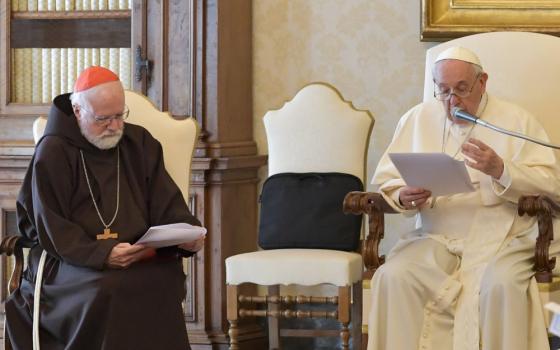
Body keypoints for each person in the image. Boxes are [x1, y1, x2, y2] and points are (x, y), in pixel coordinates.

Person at [368, 47, 560, 350]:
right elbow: (386, 181)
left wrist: (502, 170)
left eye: (461, 89)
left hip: (504, 233)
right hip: (435, 234)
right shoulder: (417, 118)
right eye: (443, 91)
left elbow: (552, 185)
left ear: (482, 82)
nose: (452, 101)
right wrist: (403, 196)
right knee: (394, 276)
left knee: (501, 285)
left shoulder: (516, 119)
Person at [5, 66, 205, 350]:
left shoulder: (140, 143)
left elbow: (166, 204)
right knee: (108, 288)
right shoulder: (54, 151)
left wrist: (187, 236)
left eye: (119, 116)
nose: (114, 126)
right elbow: (50, 225)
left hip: (137, 255)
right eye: (103, 119)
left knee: (158, 281)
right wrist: (102, 255)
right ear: (77, 110)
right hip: (67, 262)